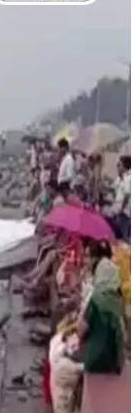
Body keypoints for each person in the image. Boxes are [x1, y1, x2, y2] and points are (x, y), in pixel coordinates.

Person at [71, 241, 124, 374]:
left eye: (88, 257)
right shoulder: (117, 298)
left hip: (95, 361)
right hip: (115, 361)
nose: (86, 261)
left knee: (60, 358)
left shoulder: (96, 299)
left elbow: (81, 331)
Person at [106, 155, 130, 241]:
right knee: (117, 234)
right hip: (118, 211)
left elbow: (127, 196)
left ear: (124, 166)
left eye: (119, 165)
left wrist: (121, 210)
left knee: (122, 237)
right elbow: (113, 188)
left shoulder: (128, 178)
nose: (117, 167)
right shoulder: (121, 177)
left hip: (124, 213)